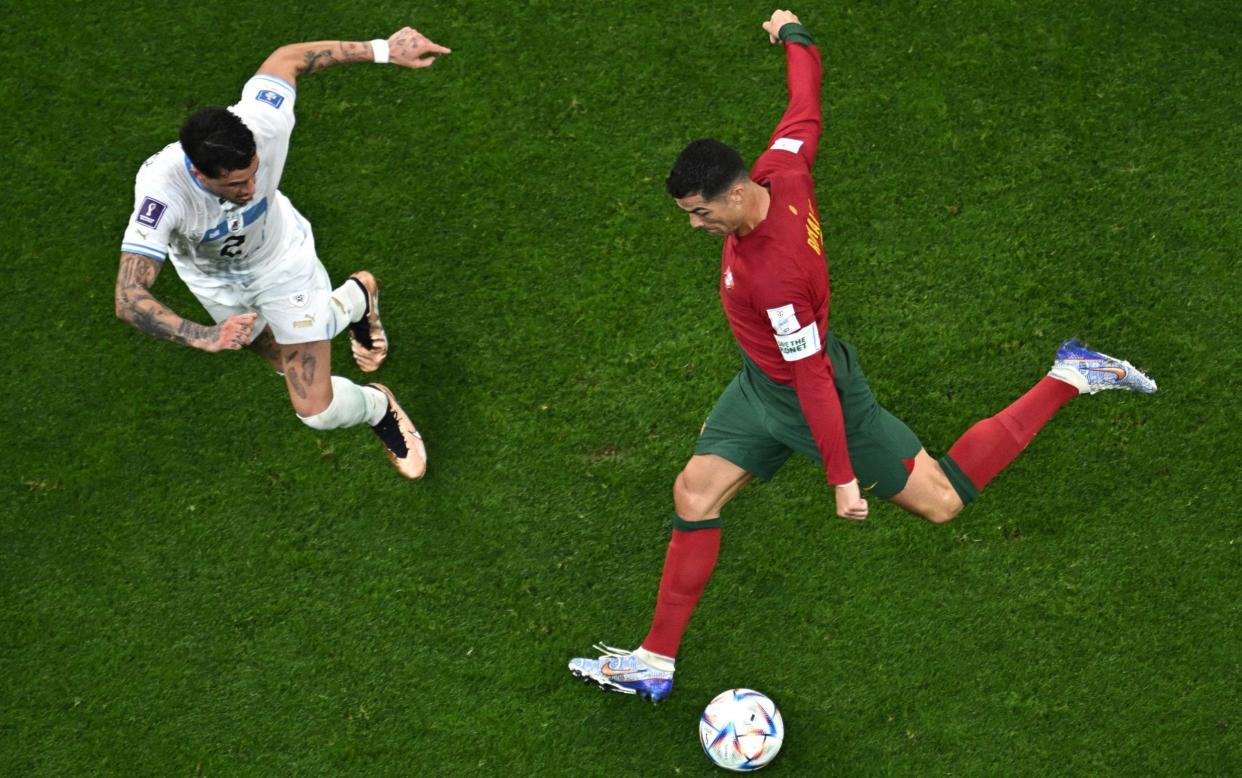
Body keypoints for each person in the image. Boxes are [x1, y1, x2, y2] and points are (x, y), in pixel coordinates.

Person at [568, 9, 1156, 703]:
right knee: (693, 493)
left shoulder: (775, 278)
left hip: (816, 397)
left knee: (941, 502)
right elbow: (805, 107)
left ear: (732, 196)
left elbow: (814, 376)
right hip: (763, 389)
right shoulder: (779, 172)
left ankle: (1070, 375)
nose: (695, 227)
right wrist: (793, 35)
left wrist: (842, 478)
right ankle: (654, 662)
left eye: (700, 213)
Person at [115, 27, 451, 478]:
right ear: (197, 171)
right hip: (214, 282)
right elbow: (128, 295)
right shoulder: (162, 194)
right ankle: (355, 298)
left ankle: (378, 406)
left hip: (281, 264)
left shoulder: (263, 121)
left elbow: (288, 58)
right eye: (234, 185)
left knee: (315, 409)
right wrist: (205, 335)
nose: (250, 189)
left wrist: (385, 50)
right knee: (278, 358)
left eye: (252, 174)